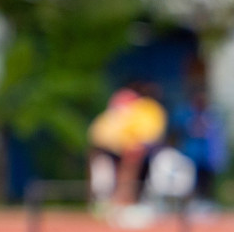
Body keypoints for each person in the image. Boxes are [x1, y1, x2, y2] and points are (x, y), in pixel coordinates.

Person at [88, 83, 168, 217]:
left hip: (141, 150)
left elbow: (149, 134)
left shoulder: (147, 110)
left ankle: (125, 200)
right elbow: (99, 136)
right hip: (116, 149)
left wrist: (132, 145)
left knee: (132, 157)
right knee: (99, 158)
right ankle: (103, 201)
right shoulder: (113, 116)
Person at [172, 88, 226, 206]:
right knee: (188, 181)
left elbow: (217, 136)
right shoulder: (184, 113)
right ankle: (189, 204)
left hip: (207, 156)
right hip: (190, 154)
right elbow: (176, 131)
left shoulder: (212, 114)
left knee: (206, 181)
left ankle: (207, 201)